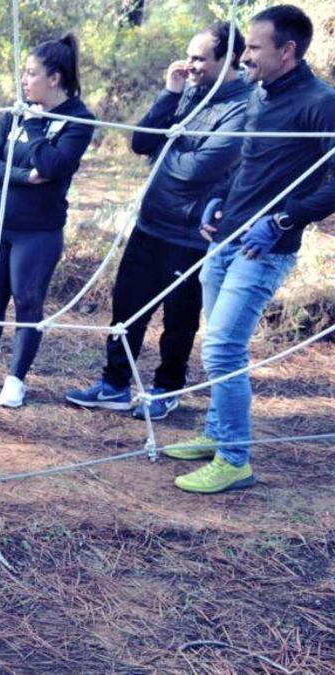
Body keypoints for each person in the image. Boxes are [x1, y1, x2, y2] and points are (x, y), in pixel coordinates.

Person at [172, 4, 335, 494]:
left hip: (264, 248)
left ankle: (235, 459)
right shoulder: (261, 95)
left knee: (223, 349)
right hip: (225, 239)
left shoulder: (320, 102)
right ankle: (217, 435)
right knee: (215, 344)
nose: (244, 57)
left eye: (254, 48)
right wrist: (219, 199)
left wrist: (284, 219)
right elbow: (250, 163)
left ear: (287, 51)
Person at [65, 22, 250, 420]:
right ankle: (114, 384)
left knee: (179, 320)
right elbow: (141, 142)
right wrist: (170, 93)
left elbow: (198, 168)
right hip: (150, 222)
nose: (191, 64)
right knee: (126, 308)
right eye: (189, 55)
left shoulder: (244, 105)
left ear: (229, 59)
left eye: (200, 57)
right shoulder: (188, 92)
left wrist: (167, 148)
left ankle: (167, 389)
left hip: (192, 234)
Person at [0, 33, 96, 408]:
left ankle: (16, 380)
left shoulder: (79, 120)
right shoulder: (16, 111)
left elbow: (54, 166)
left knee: (27, 303)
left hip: (39, 230)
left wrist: (36, 128)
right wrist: (24, 175)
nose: (24, 80)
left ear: (54, 79)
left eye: (31, 73)